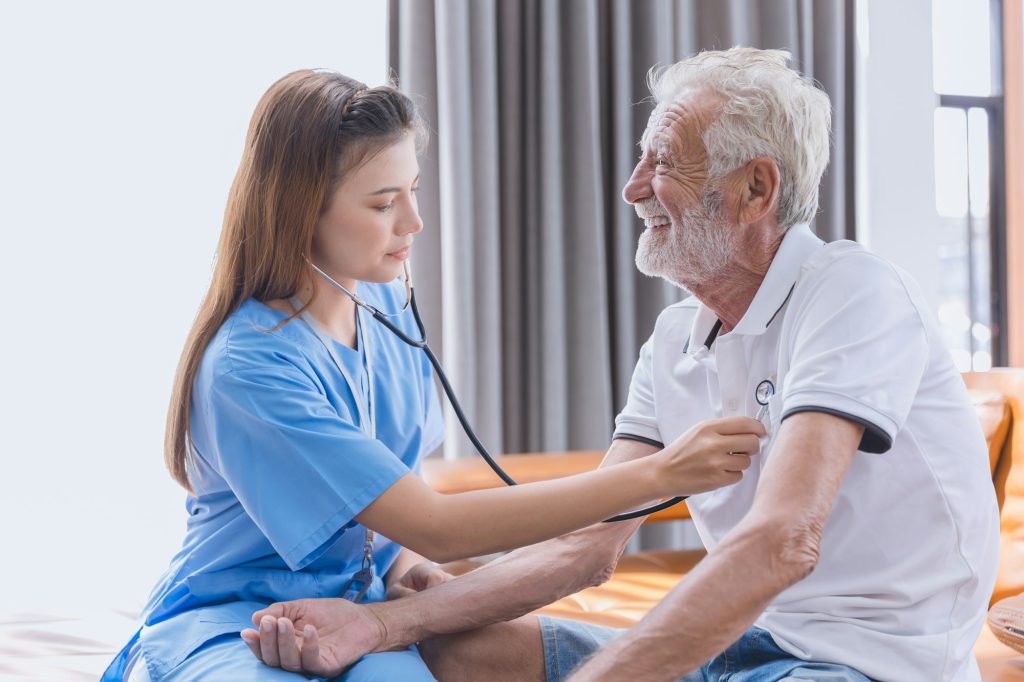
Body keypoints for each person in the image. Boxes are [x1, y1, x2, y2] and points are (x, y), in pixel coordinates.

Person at [245, 48, 1001, 681]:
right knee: (449, 649)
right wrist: (381, 624)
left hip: (869, 664)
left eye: (662, 162)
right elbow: (585, 546)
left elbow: (782, 542)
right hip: (745, 644)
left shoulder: (850, 291)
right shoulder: (676, 339)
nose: (633, 188)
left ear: (755, 189)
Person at [100, 69, 764, 682]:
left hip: (351, 607)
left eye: (413, 191)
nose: (413, 223)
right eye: (384, 202)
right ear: (301, 209)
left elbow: (391, 498)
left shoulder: (382, 305)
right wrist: (662, 475)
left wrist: (404, 567)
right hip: (233, 620)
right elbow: (437, 522)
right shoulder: (250, 367)